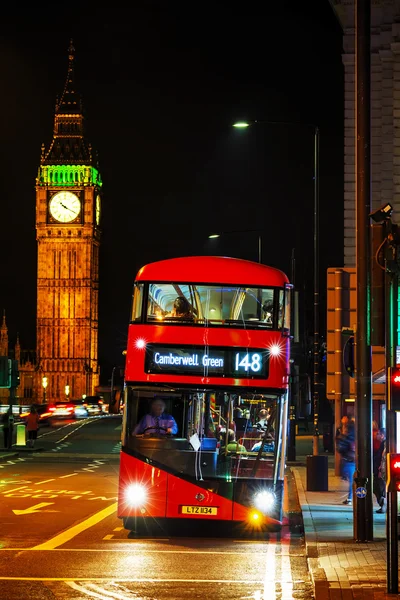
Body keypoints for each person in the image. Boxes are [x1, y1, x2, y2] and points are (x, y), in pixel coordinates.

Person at [337, 419, 356, 505]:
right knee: (352, 480)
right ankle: (351, 497)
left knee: (351, 480)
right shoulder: (355, 436)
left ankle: (350, 498)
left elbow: (340, 449)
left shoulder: (346, 437)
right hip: (353, 460)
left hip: (348, 460)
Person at [373, 428, 386, 513]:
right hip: (380, 470)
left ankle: (383, 504)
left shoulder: (384, 444)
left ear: (382, 435)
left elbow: (381, 458)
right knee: (377, 488)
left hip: (381, 471)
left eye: (378, 434)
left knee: (379, 488)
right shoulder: (383, 444)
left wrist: (380, 470)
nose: (376, 435)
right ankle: (383, 504)